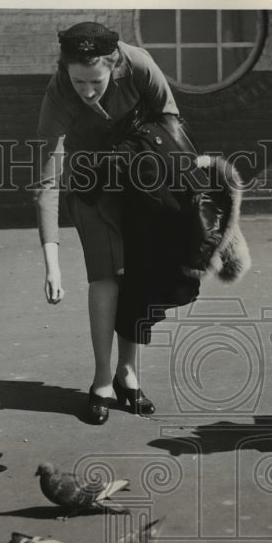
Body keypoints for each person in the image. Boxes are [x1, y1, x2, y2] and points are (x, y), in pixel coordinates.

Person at [34, 22, 181, 425]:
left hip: (139, 173)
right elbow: (47, 180)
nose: (86, 90)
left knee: (137, 275)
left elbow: (170, 122)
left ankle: (128, 373)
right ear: (65, 70)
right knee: (104, 276)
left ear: (113, 66)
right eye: (78, 81)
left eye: (94, 81)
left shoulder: (139, 65)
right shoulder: (59, 93)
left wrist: (179, 190)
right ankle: (102, 379)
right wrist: (52, 262)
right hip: (89, 181)